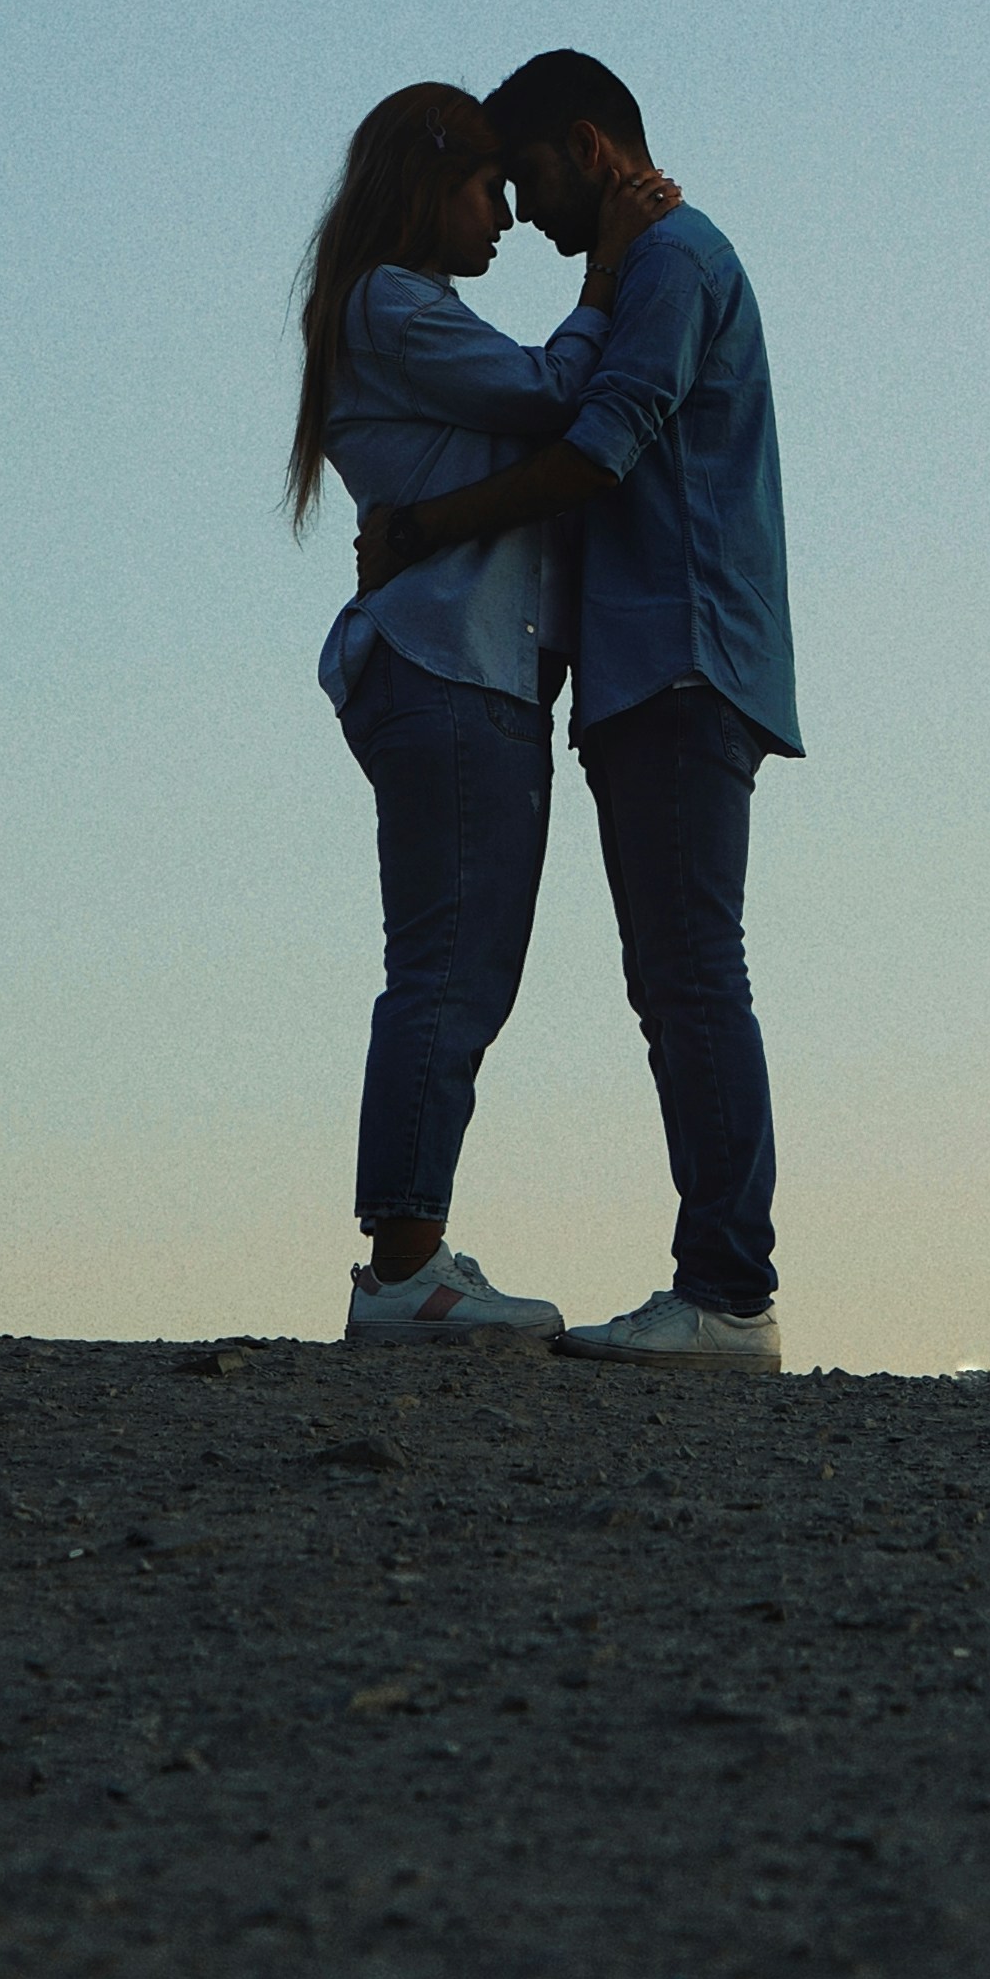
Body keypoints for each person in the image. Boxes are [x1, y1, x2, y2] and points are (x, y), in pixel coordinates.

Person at [352, 51, 797, 1370]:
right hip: (650, 666)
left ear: (591, 146)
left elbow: (594, 446)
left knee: (691, 972)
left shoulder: (666, 261)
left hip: (678, 658)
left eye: (531, 174)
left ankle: (726, 1292)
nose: (527, 214)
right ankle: (719, 1287)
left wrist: (426, 524)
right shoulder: (660, 259)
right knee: (674, 974)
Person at [289, 80, 679, 1345]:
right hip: (450, 662)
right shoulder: (390, 303)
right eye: (483, 192)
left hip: (473, 669)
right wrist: (609, 276)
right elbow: (547, 393)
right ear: (427, 186)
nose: (505, 220)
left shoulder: (400, 313)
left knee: (462, 967)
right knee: (449, 967)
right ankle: (403, 1266)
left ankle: (411, 1247)